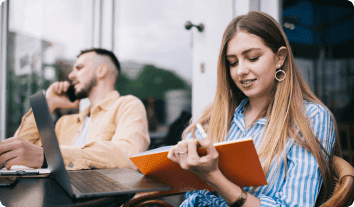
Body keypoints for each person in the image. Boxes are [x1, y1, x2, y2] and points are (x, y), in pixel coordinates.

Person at [167, 11, 342, 207]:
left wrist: (214, 177)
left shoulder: (309, 118)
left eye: (252, 58)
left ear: (280, 58)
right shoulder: (215, 117)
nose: (240, 70)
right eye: (233, 62)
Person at [0, 48, 150, 171]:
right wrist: (48, 103)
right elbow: (18, 155)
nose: (71, 75)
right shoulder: (65, 122)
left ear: (102, 70)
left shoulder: (127, 105)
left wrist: (49, 156)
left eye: (79, 68)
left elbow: (129, 155)